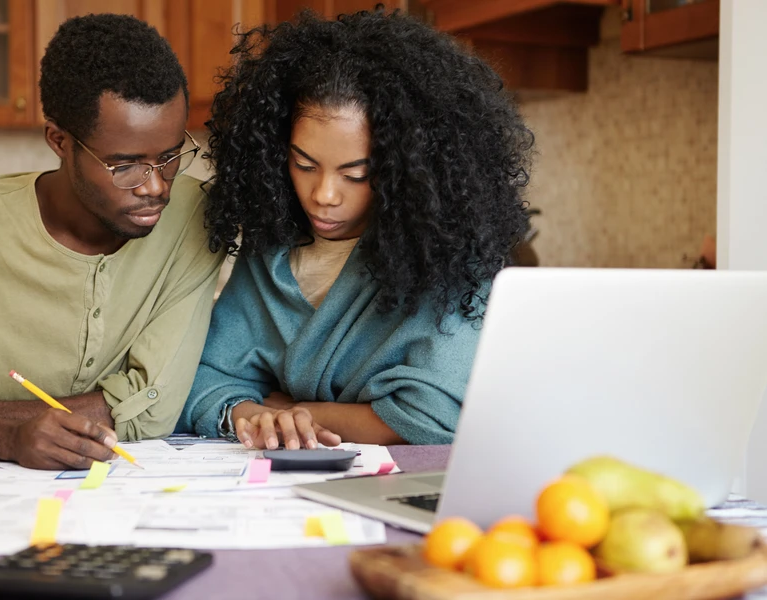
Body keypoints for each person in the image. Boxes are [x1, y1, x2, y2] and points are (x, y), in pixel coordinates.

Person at [0, 14, 225, 469]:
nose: (156, 187)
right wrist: (4, 437)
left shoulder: (197, 217)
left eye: (171, 155)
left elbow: (152, 409)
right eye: (125, 165)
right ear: (59, 140)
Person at [177, 9, 533, 448]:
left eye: (357, 174)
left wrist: (289, 412)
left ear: (408, 170)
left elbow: (433, 418)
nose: (323, 194)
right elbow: (201, 380)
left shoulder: (446, 259)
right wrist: (253, 415)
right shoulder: (270, 247)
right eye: (304, 165)